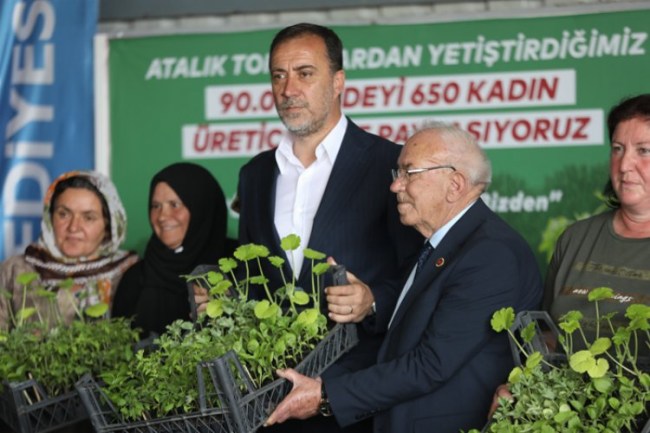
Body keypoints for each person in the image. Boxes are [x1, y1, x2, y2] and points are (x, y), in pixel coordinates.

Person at [194, 23, 423, 433]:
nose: (288, 89)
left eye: (304, 73)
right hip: (270, 397)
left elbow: (421, 273)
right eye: (278, 75)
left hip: (354, 398)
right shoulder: (255, 174)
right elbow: (254, 277)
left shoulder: (388, 163)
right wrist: (223, 299)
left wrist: (373, 299)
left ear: (338, 82)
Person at [264, 122, 543, 433]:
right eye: (398, 173)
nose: (395, 186)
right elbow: (406, 339)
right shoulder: (442, 244)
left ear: (455, 185)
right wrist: (370, 302)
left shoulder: (490, 254)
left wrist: (325, 395)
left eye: (410, 173)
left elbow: (430, 365)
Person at [489, 93, 650, 415]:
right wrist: (521, 389)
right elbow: (549, 336)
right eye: (617, 149)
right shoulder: (576, 238)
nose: (624, 165)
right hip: (565, 414)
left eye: (643, 151)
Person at [0, 170, 138, 330]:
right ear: (50, 218)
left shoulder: (130, 274)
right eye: (64, 214)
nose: (73, 227)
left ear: (109, 225)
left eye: (88, 217)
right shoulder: (15, 271)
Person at [112, 162, 231, 338]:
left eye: (174, 205)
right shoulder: (135, 277)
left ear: (201, 207)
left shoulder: (238, 267)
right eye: (156, 206)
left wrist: (229, 309)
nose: (162, 216)